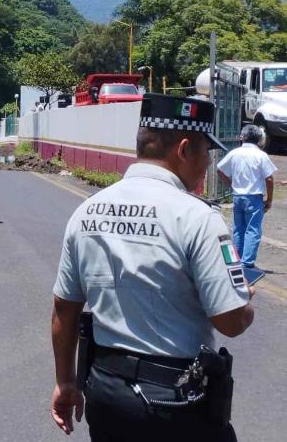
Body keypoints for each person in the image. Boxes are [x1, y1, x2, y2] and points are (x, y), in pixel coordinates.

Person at [50, 94, 255, 442]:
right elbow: (231, 321)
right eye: (207, 151)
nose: (208, 162)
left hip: (106, 392)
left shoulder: (87, 211)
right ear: (185, 149)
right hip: (176, 402)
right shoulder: (197, 217)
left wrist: (66, 382)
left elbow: (63, 310)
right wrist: (244, 300)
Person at [217, 124, 277, 269]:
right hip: (254, 197)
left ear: (242, 137)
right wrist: (269, 199)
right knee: (253, 229)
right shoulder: (261, 155)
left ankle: (235, 259)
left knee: (238, 228)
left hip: (238, 196)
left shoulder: (235, 153)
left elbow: (220, 170)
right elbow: (269, 178)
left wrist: (230, 183)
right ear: (259, 139)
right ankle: (247, 261)